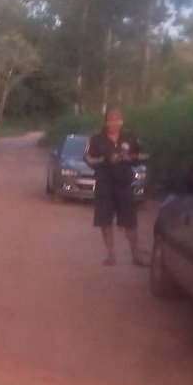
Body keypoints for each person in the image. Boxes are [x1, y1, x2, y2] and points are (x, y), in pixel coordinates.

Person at [84, 108, 148, 266]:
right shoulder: (96, 139)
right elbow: (88, 159)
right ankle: (111, 255)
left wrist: (131, 157)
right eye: (111, 119)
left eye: (118, 119)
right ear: (105, 121)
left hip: (124, 185)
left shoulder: (130, 137)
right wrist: (106, 159)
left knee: (130, 222)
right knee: (105, 221)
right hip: (104, 186)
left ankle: (136, 256)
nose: (114, 123)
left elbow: (144, 155)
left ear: (122, 120)